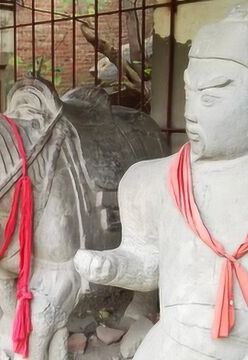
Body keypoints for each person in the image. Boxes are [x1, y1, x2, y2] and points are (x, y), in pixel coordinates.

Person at [73, 4, 248, 359]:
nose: (192, 112)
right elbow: (151, 263)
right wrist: (116, 266)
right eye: (190, 91)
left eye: (211, 97)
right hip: (172, 345)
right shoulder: (152, 181)